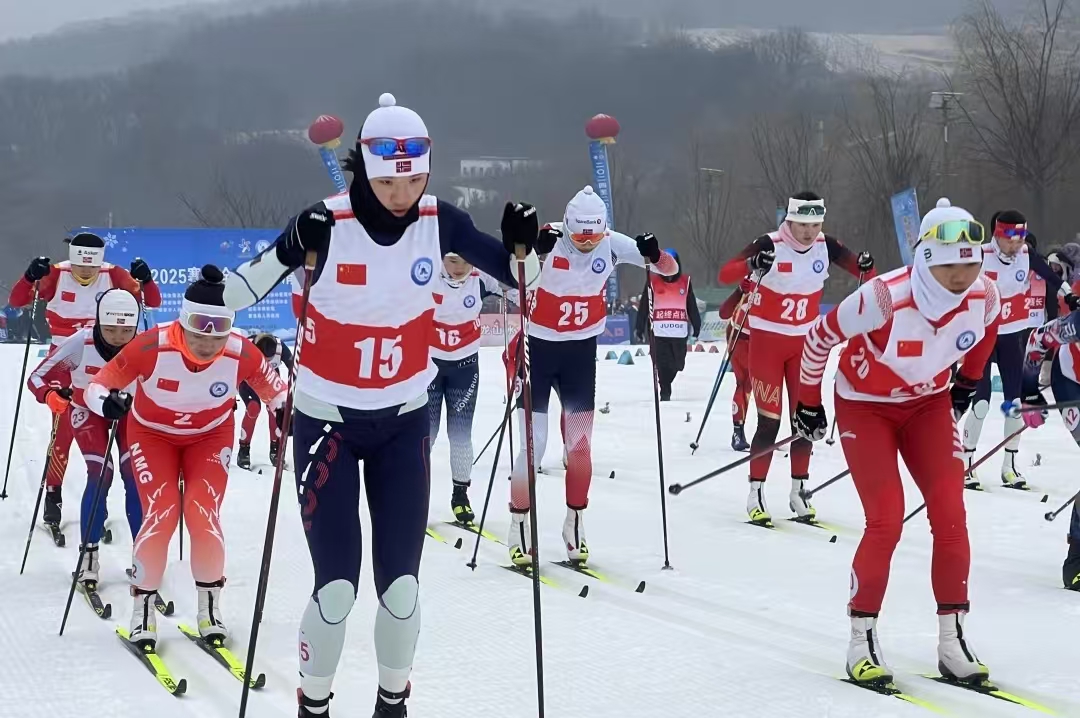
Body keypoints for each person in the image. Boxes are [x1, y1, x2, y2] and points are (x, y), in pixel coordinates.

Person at [222, 92, 540, 718]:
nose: (403, 194)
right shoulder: (327, 223)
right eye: (390, 181)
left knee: (401, 588)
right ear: (364, 169)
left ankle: (392, 703)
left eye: (415, 179)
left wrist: (527, 247)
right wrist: (287, 247)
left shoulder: (441, 220)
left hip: (403, 425)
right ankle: (314, 704)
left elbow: (518, 278)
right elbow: (232, 295)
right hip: (328, 426)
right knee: (338, 587)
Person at [794, 197, 1000, 687]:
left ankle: (952, 640)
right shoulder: (885, 297)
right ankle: (861, 638)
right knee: (886, 518)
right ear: (926, 259)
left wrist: (969, 380)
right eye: (949, 266)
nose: (961, 276)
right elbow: (819, 337)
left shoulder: (986, 294)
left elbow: (987, 331)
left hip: (927, 405)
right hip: (865, 407)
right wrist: (808, 403)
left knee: (951, 514)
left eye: (970, 264)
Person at [83, 266, 286, 650]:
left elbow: (277, 393)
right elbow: (98, 385)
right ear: (182, 321)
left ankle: (210, 610)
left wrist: (286, 412)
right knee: (162, 511)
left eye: (218, 333)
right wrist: (106, 402)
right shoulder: (151, 346)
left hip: (209, 437)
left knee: (201, 511)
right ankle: (143, 610)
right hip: (152, 436)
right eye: (197, 332)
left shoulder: (242, 351)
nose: (207, 343)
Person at [506, 185, 677, 568]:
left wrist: (655, 254)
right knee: (533, 446)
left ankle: (574, 521)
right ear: (567, 226)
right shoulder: (548, 239)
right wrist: (530, 252)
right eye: (579, 237)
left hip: (580, 355)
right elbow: (510, 273)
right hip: (538, 350)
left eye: (593, 238)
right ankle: (518, 523)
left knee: (580, 448)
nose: (586, 245)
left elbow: (670, 271)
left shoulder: (612, 244)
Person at [717, 192, 873, 525]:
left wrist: (865, 264)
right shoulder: (769, 244)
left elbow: (867, 273)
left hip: (805, 347)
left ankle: (799, 492)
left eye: (815, 225)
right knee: (769, 423)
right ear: (789, 220)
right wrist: (752, 265)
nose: (808, 232)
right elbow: (725, 274)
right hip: (767, 345)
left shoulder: (826, 245)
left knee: (805, 421)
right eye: (802, 225)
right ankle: (756, 493)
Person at [9, 233, 161, 531]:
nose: (86, 273)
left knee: (122, 437)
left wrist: (147, 280)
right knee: (62, 432)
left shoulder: (113, 274)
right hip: (65, 359)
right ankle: (53, 494)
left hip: (107, 357)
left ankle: (101, 506)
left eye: (91, 267)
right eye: (80, 267)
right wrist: (29, 277)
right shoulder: (56, 274)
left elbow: (151, 301)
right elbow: (17, 301)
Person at [27, 289, 143, 586]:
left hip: (129, 413)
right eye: (111, 329)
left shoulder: (145, 344)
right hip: (86, 410)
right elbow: (38, 377)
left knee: (134, 475)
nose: (118, 337)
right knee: (101, 473)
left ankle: (144, 558)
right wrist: (50, 395)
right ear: (99, 322)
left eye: (126, 330)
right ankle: (88, 558)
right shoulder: (81, 342)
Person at [960, 210, 1078, 489]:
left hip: (1012, 335)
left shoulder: (1026, 254)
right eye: (1010, 239)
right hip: (983, 336)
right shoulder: (981, 255)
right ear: (997, 235)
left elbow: (1051, 277)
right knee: (981, 403)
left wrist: (1070, 295)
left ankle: (1009, 466)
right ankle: (966, 463)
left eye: (1020, 238)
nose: (1016, 245)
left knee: (1015, 403)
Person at [429, 252, 506, 524]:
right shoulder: (428, 273)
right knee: (425, 435)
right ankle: (415, 496)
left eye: (465, 261)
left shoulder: (482, 277)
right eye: (452, 261)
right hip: (429, 367)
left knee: (460, 435)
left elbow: (518, 285)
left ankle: (460, 496)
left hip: (464, 368)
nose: (459, 268)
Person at [1012, 304, 1080, 590]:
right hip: (1071, 383)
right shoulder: (1076, 324)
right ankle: (1076, 559)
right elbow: (1038, 338)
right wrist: (1029, 393)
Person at [635, 248, 701, 401]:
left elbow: (691, 305)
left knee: (677, 364)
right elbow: (644, 305)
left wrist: (696, 325)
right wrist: (639, 327)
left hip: (679, 332)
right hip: (659, 332)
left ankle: (666, 382)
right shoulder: (652, 282)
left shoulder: (685, 282)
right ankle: (665, 390)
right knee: (662, 364)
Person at [237, 332, 294, 469]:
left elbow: (293, 367)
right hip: (248, 380)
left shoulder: (280, 348)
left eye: (269, 359)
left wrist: (292, 389)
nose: (266, 362)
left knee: (276, 411)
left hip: (270, 379)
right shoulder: (245, 347)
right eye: (263, 360)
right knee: (253, 408)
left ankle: (275, 450)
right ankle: (244, 450)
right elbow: (232, 371)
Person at [717, 274, 755, 451]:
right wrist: (740, 290)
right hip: (740, 336)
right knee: (746, 384)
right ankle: (738, 432)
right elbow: (724, 312)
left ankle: (766, 432)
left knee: (765, 386)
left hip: (764, 339)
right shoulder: (753, 276)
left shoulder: (782, 277)